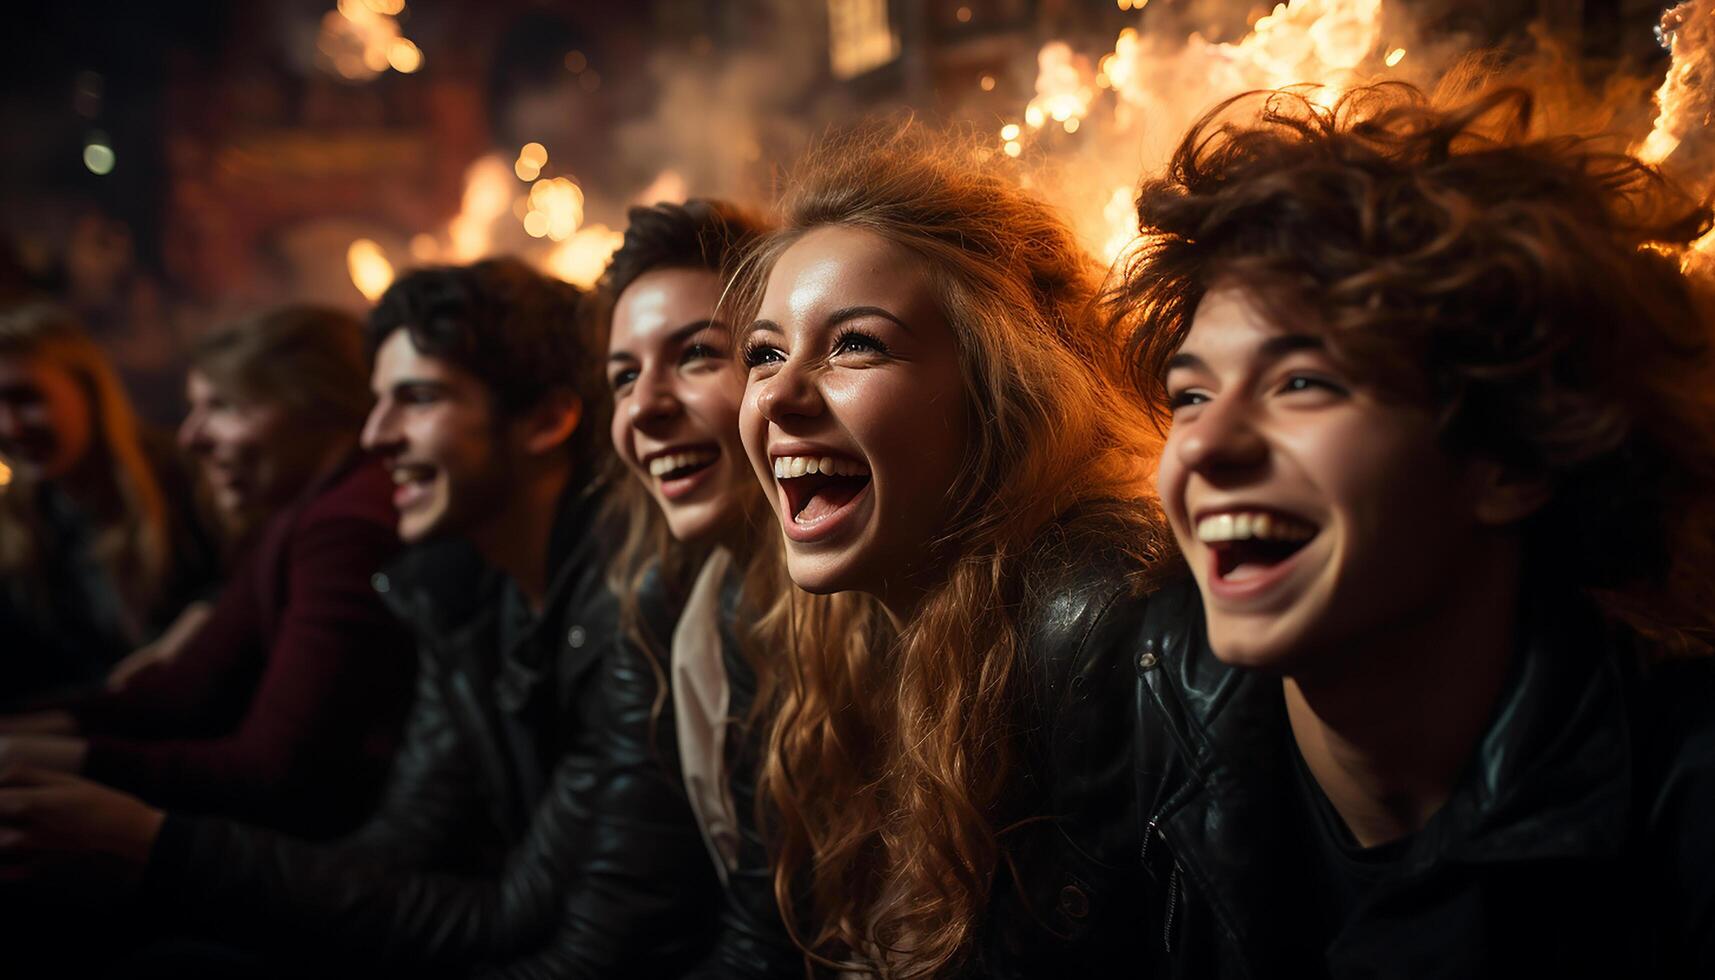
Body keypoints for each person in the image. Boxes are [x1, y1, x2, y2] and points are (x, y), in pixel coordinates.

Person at [1109, 82, 1715, 976]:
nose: (1205, 446)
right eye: (1190, 394)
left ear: (1509, 459)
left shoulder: (1684, 803)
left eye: (1302, 383)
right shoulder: (1131, 709)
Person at [0, 258, 719, 978]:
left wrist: (154, 846)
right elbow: (401, 847)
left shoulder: (626, 604)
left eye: (417, 397)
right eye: (377, 400)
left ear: (547, 419)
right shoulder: (453, 582)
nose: (375, 436)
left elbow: (567, 942)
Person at [732, 129, 1179, 977]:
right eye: (763, 353)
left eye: (853, 343)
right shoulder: (837, 631)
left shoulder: (1094, 621)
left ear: (1000, 390)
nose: (781, 395)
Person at [0, 305, 413, 836]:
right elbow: (181, 691)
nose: (191, 437)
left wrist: (51, 763)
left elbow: (271, 774)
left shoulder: (344, 525)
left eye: (223, 405)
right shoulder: (295, 515)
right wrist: (18, 740)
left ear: (318, 406)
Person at [598, 199, 801, 976]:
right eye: (622, 377)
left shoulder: (878, 607)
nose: (644, 407)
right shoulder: (681, 607)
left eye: (694, 356)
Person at [0, 303, 214, 707]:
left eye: (27, 398)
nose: (9, 427)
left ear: (88, 390)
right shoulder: (18, 523)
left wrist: (203, 615)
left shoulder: (189, 474)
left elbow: (252, 576)